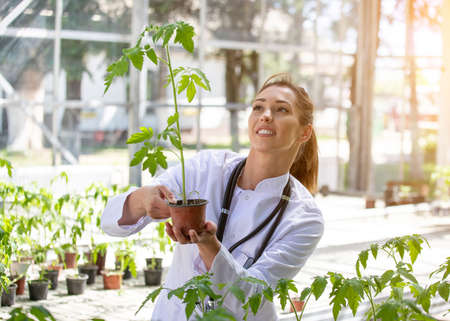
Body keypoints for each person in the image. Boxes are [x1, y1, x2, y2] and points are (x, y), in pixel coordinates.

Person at [101, 73, 324, 320]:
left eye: (281, 109)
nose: (266, 115)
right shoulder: (207, 168)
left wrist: (209, 245)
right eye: (258, 107)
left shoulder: (305, 219)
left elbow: (253, 297)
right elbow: (110, 221)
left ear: (305, 132)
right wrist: (143, 200)